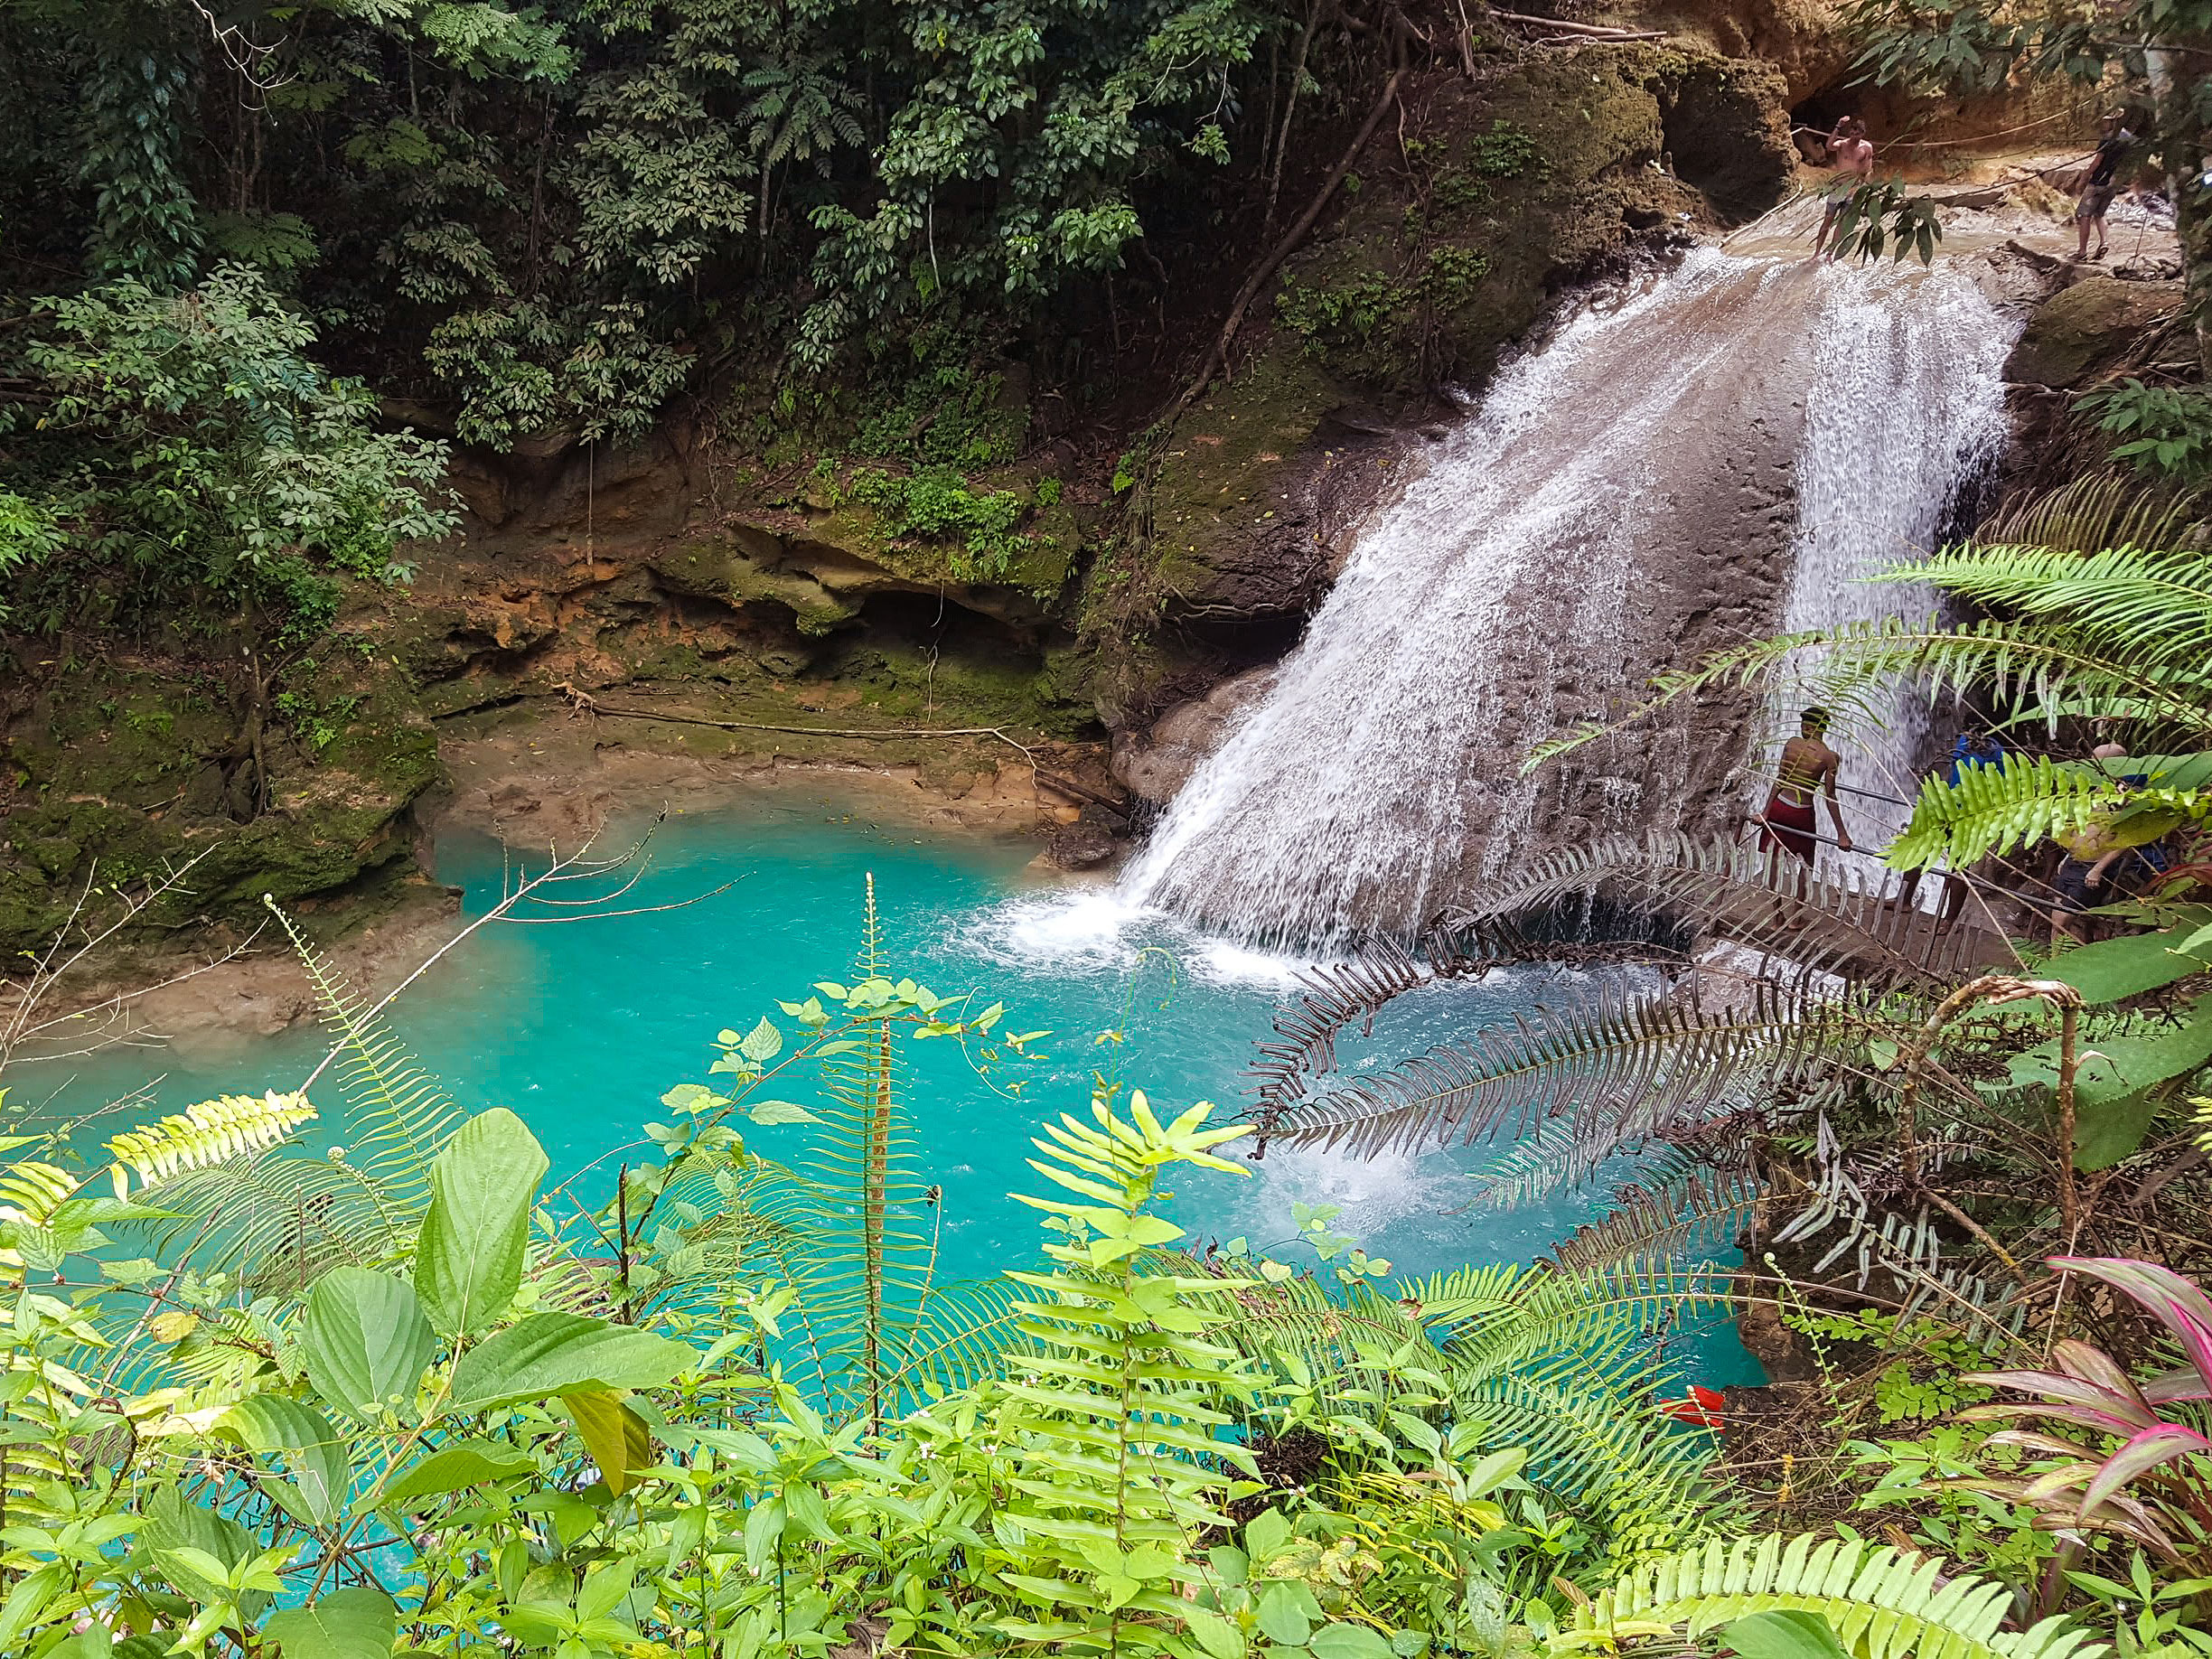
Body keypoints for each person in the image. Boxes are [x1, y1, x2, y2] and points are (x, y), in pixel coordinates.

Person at [1896, 730, 2005, 927]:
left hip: (1970, 814)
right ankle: (1903, 900)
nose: (1965, 733)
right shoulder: (1963, 742)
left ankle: (1949, 920)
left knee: (1958, 866)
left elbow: (1999, 784)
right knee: (1918, 849)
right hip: (1946, 806)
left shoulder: (1995, 752)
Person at [2049, 741, 2138, 945]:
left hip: (2092, 867)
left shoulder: (2126, 797)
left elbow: (2129, 840)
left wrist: (2099, 868)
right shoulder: (2095, 791)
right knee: (2056, 922)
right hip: (2073, 862)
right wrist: (2066, 855)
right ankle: (2051, 962)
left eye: (2098, 763)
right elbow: (2084, 827)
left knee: (2063, 920)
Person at [1757, 708, 1852, 867]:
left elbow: (1780, 779)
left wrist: (1765, 812)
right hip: (1801, 812)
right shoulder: (1830, 757)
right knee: (1806, 860)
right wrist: (1842, 834)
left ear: (1808, 727)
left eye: (1802, 726)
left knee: (1773, 854)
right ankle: (1802, 893)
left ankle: (1771, 891)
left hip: (1778, 807)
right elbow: (1830, 796)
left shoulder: (1792, 743)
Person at [2075, 112, 2136, 262]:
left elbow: (2096, 163)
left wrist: (2084, 177)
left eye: (2106, 121)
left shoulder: (2107, 139)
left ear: (2114, 122)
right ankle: (2104, 242)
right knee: (2099, 214)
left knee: (2084, 215)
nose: (2103, 124)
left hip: (2098, 183)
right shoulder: (2129, 138)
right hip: (2114, 184)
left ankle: (2082, 252)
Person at [1813, 117, 1876, 261]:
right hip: (1838, 188)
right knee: (1827, 220)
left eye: (1858, 132)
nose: (1854, 135)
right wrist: (1838, 126)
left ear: (1863, 133)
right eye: (1853, 131)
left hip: (1853, 190)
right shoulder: (1842, 144)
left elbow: (1867, 169)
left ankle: (1830, 254)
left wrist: (1866, 189)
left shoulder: (1866, 148)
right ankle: (1816, 252)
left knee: (1841, 223)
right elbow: (1829, 146)